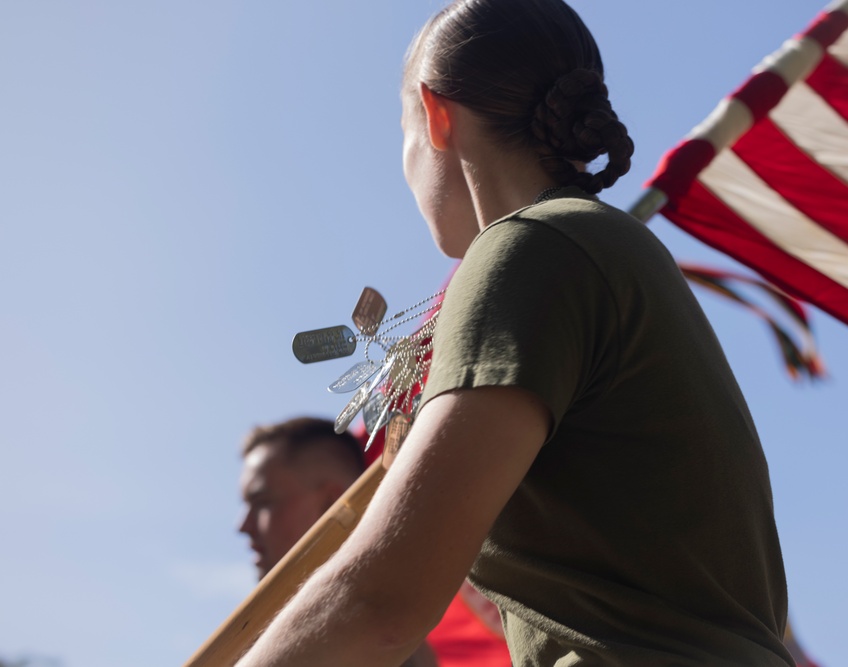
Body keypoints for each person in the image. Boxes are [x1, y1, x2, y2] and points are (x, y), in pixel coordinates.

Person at [237, 1, 793, 665]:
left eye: (403, 129)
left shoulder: (527, 250)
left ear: (436, 115)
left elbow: (381, 601)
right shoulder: (601, 247)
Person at [237, 416, 510, 667]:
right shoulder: (257, 639)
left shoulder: (379, 632)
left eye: (262, 502)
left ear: (330, 502)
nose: (244, 526)